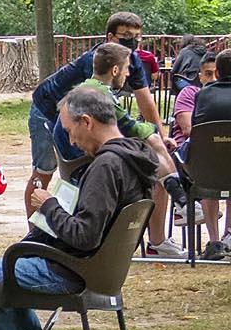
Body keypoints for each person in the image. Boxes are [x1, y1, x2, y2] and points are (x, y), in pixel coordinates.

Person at [0, 87, 155, 330]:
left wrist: (49, 205)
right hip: (105, 272)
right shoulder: (136, 159)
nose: (71, 141)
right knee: (4, 279)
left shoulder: (106, 167)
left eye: (69, 131)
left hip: (71, 272)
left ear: (86, 122)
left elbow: (85, 236)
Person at [27, 14, 160, 195]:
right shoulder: (97, 61)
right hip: (46, 109)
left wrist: (160, 134)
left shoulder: (131, 61)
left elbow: (146, 100)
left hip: (75, 115)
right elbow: (102, 110)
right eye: (127, 36)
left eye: (137, 36)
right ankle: (36, 221)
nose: (133, 41)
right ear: (111, 38)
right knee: (44, 172)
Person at [173, 50, 230, 259]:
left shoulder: (202, 95)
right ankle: (229, 235)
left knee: (212, 162)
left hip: (204, 171)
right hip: (222, 165)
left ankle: (214, 241)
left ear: (219, 72)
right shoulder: (194, 93)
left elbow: (196, 130)